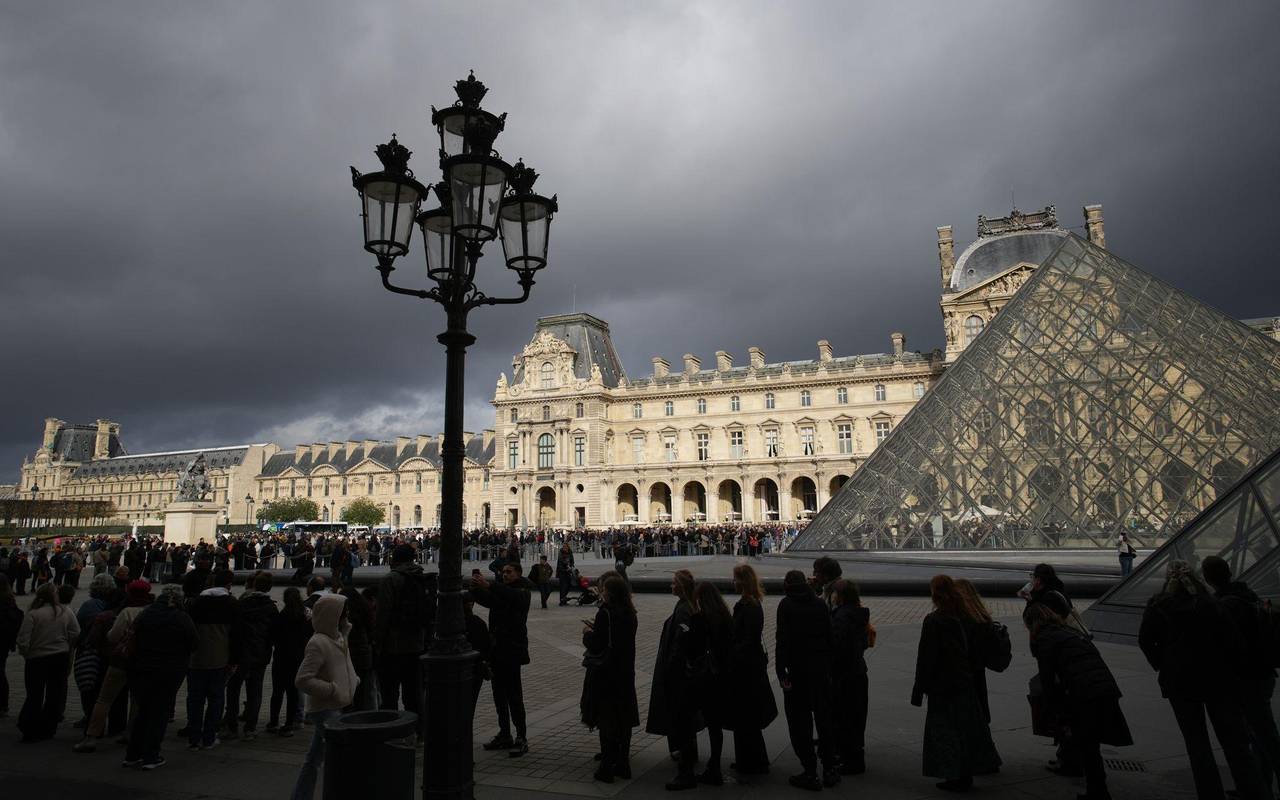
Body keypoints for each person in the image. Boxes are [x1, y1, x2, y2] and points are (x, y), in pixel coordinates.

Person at [1140, 559, 1264, 800]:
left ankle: (1210, 794)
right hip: (1218, 681)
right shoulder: (1212, 604)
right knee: (1236, 744)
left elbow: (1145, 641)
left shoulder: (1158, 606)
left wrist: (1164, 664)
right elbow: (1234, 642)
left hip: (1180, 683)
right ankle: (1254, 793)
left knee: (1197, 746)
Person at [1025, 602, 1132, 800]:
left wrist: (1055, 709)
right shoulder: (1069, 631)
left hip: (1084, 692)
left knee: (1088, 744)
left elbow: (1047, 679)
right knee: (1091, 743)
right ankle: (1097, 788)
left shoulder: (1045, 639)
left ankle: (1097, 791)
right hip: (1104, 685)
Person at [911, 575, 1001, 793]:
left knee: (945, 732)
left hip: (943, 684)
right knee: (965, 728)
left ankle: (955, 775)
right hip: (964, 681)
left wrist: (919, 688)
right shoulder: (963, 615)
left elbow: (926, 657)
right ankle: (969, 770)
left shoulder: (935, 620)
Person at [1202, 555, 1280, 798]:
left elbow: (1223, 645)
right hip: (1263, 672)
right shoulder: (1249, 596)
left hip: (1244, 676)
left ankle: (1258, 787)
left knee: (1259, 735)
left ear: (1208, 578)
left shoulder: (1224, 605)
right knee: (1263, 733)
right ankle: (1261, 785)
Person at [291, 593, 360, 800]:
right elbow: (302, 680)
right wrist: (332, 689)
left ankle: (301, 795)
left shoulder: (339, 636)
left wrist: (353, 680)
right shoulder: (318, 643)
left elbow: (343, 664)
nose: (347, 614)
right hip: (326, 708)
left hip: (337, 704)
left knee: (315, 758)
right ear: (333, 615)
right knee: (337, 757)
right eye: (343, 611)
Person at [74, 578, 153, 752]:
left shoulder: (126, 612)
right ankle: (130, 733)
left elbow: (112, 637)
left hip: (120, 662)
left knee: (104, 699)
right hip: (141, 663)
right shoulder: (151, 611)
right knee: (136, 700)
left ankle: (91, 736)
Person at [777, 569, 839, 791]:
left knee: (800, 723)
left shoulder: (786, 605)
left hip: (797, 671)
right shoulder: (819, 604)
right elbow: (830, 637)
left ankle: (810, 771)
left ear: (786, 584)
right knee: (824, 720)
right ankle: (830, 768)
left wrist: (781, 672)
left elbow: (782, 640)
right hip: (820, 670)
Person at [124, 585, 197, 770]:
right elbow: (194, 643)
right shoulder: (181, 617)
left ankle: (132, 754)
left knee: (143, 712)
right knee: (159, 713)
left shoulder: (146, 614)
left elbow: (132, 635)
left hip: (141, 669)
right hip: (168, 671)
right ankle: (151, 755)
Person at [646, 569, 703, 790]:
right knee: (685, 721)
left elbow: (680, 644)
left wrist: (671, 669)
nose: (671, 586)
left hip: (678, 677)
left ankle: (686, 771)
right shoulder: (688, 605)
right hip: (683, 675)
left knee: (682, 722)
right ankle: (689, 757)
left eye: (673, 583)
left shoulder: (684, 610)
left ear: (682, 586)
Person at [581, 575, 639, 784]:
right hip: (625, 671)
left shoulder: (605, 613)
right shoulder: (631, 613)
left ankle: (606, 767)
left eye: (604, 589)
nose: (601, 592)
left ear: (610, 592)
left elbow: (597, 643)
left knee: (607, 718)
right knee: (623, 717)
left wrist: (587, 633)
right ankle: (623, 763)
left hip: (606, 672)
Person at [472, 560, 533, 757]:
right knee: (499, 695)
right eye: (503, 572)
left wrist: (490, 585)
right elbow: (489, 600)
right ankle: (505, 733)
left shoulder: (522, 590)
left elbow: (512, 597)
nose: (504, 574)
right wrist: (474, 588)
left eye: (508, 572)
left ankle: (521, 736)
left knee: (515, 696)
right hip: (497, 651)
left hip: (512, 651)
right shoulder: (503, 591)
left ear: (518, 573)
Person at [16, 582, 80, 742]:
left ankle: (29, 729)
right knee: (54, 695)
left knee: (34, 694)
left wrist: (27, 654)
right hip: (59, 657)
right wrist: (66, 645)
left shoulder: (33, 614)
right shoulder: (65, 611)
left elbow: (23, 640)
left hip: (36, 659)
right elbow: (76, 632)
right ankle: (49, 729)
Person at [728, 563, 776, 775]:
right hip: (750, 666)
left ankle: (751, 761)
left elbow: (747, 639)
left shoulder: (749, 606)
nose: (733, 582)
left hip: (746, 669)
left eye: (736, 579)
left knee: (745, 716)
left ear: (743, 581)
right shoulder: (752, 603)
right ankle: (752, 759)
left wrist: (732, 654)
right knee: (748, 717)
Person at [185, 567, 240, 750]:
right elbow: (236, 636)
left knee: (194, 699)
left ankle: (193, 738)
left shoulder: (194, 603)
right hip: (220, 658)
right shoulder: (232, 603)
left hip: (195, 659)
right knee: (216, 699)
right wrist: (234, 660)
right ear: (229, 585)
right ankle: (209, 736)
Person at [374, 544, 429, 726]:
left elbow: (383, 615)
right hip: (416, 643)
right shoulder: (420, 576)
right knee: (413, 692)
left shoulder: (390, 580)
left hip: (393, 644)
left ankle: (391, 729)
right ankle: (418, 730)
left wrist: (377, 642)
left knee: (389, 692)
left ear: (394, 559)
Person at [225, 571, 278, 741]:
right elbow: (274, 634)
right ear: (269, 588)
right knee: (255, 691)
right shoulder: (272, 608)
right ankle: (250, 728)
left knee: (233, 689)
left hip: (240, 653)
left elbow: (234, 630)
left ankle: (231, 726)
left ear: (254, 585)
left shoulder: (241, 604)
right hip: (260, 654)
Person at [692, 580, 734, 785]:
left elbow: (692, 649)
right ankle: (714, 762)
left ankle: (714, 767)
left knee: (711, 723)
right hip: (723, 676)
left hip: (707, 678)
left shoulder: (701, 619)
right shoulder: (725, 616)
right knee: (716, 725)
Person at [829, 578, 870, 776]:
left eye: (834, 593)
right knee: (856, 718)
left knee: (843, 717)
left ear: (841, 596)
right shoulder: (860, 614)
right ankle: (856, 758)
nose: (832, 596)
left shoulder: (841, 617)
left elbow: (836, 648)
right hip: (859, 672)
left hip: (843, 675)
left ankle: (848, 760)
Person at [267, 587, 311, 737]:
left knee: (277, 692)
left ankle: (273, 722)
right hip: (297, 658)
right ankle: (289, 723)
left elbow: (273, 636)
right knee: (293, 693)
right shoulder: (303, 618)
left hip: (281, 657)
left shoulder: (281, 616)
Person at [340, 585, 376, 711]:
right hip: (364, 657)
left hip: (348, 657)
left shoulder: (345, 617)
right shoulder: (365, 610)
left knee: (347, 691)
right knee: (362, 691)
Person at [464, 596, 491, 720]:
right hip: (476, 669)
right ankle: (466, 734)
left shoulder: (447, 622)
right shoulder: (478, 623)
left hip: (460, 670)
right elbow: (486, 647)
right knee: (470, 705)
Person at [0, 575, 23, 718]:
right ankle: (3, 704)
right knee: (1, 672)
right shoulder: (10, 601)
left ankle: (2, 704)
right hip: (4, 643)